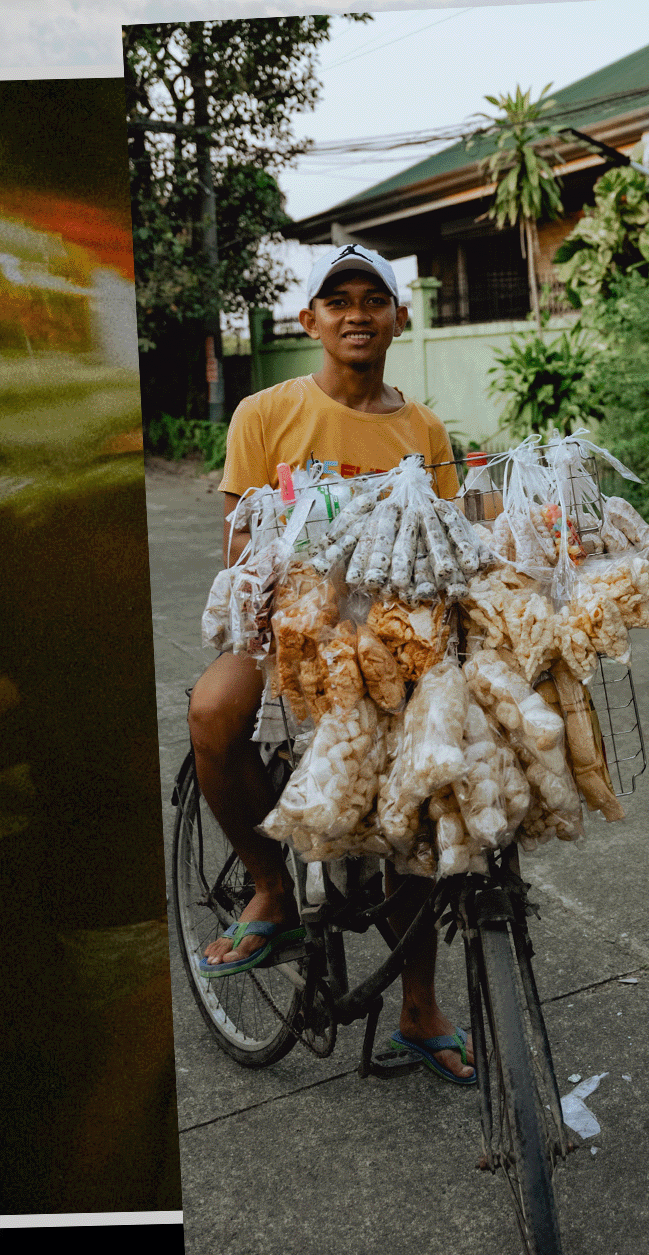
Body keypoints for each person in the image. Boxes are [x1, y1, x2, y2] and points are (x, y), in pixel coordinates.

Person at [187, 244, 474, 1083]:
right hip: (289, 625)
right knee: (212, 711)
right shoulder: (265, 412)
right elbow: (238, 545)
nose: (357, 314)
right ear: (309, 319)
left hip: (390, 639)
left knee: (409, 814)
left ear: (398, 317)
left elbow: (448, 542)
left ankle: (419, 1008)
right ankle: (269, 886)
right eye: (337, 300)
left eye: (373, 299)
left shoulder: (421, 430)